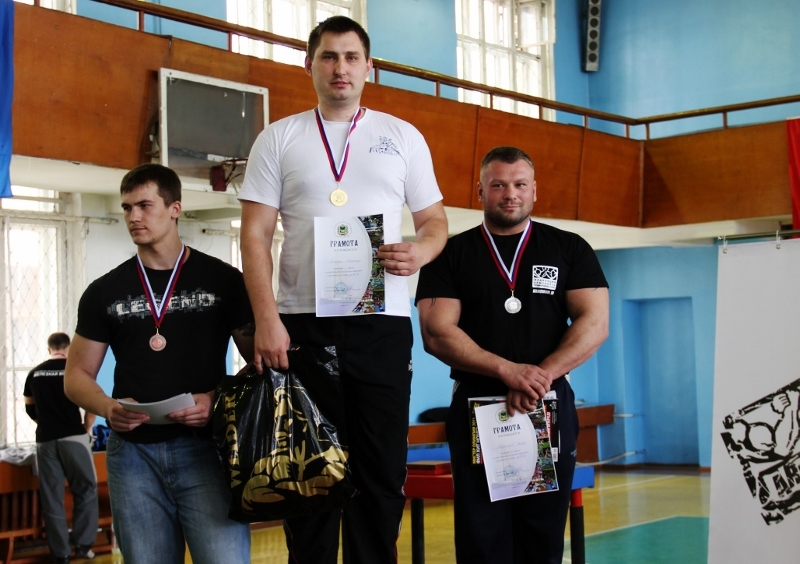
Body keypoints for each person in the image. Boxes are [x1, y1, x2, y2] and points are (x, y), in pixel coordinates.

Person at [238, 15, 448, 564]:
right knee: (308, 471)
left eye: (352, 57)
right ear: (309, 64)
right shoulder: (278, 138)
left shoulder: (403, 136)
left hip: (381, 322)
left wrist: (421, 251)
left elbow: (435, 222)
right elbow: (255, 236)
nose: (341, 68)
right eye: (329, 56)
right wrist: (267, 320)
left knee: (381, 468)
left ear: (369, 67)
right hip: (300, 323)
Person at [415, 146, 610, 563]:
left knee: (542, 534)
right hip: (478, 405)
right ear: (480, 191)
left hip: (547, 402)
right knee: (482, 536)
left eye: (520, 184)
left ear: (534, 190)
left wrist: (538, 377)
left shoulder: (569, 248)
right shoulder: (450, 253)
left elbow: (595, 324)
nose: (510, 194)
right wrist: (508, 371)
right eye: (498, 185)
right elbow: (436, 332)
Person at [64, 164, 255, 564]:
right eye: (127, 207)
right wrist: (108, 408)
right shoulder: (104, 292)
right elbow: (77, 376)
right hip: (133, 456)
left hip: (207, 449)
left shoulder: (223, 281)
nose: (133, 216)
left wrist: (215, 400)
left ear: (175, 209)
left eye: (145, 205)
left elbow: (260, 363)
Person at [23, 332, 98, 564]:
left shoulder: (34, 373)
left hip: (45, 440)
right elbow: (92, 404)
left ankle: (61, 554)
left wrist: (46, 422)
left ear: (49, 349)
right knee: (86, 489)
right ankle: (83, 546)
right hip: (74, 437)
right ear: (69, 348)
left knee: (52, 497)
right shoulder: (75, 371)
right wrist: (86, 428)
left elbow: (30, 408)